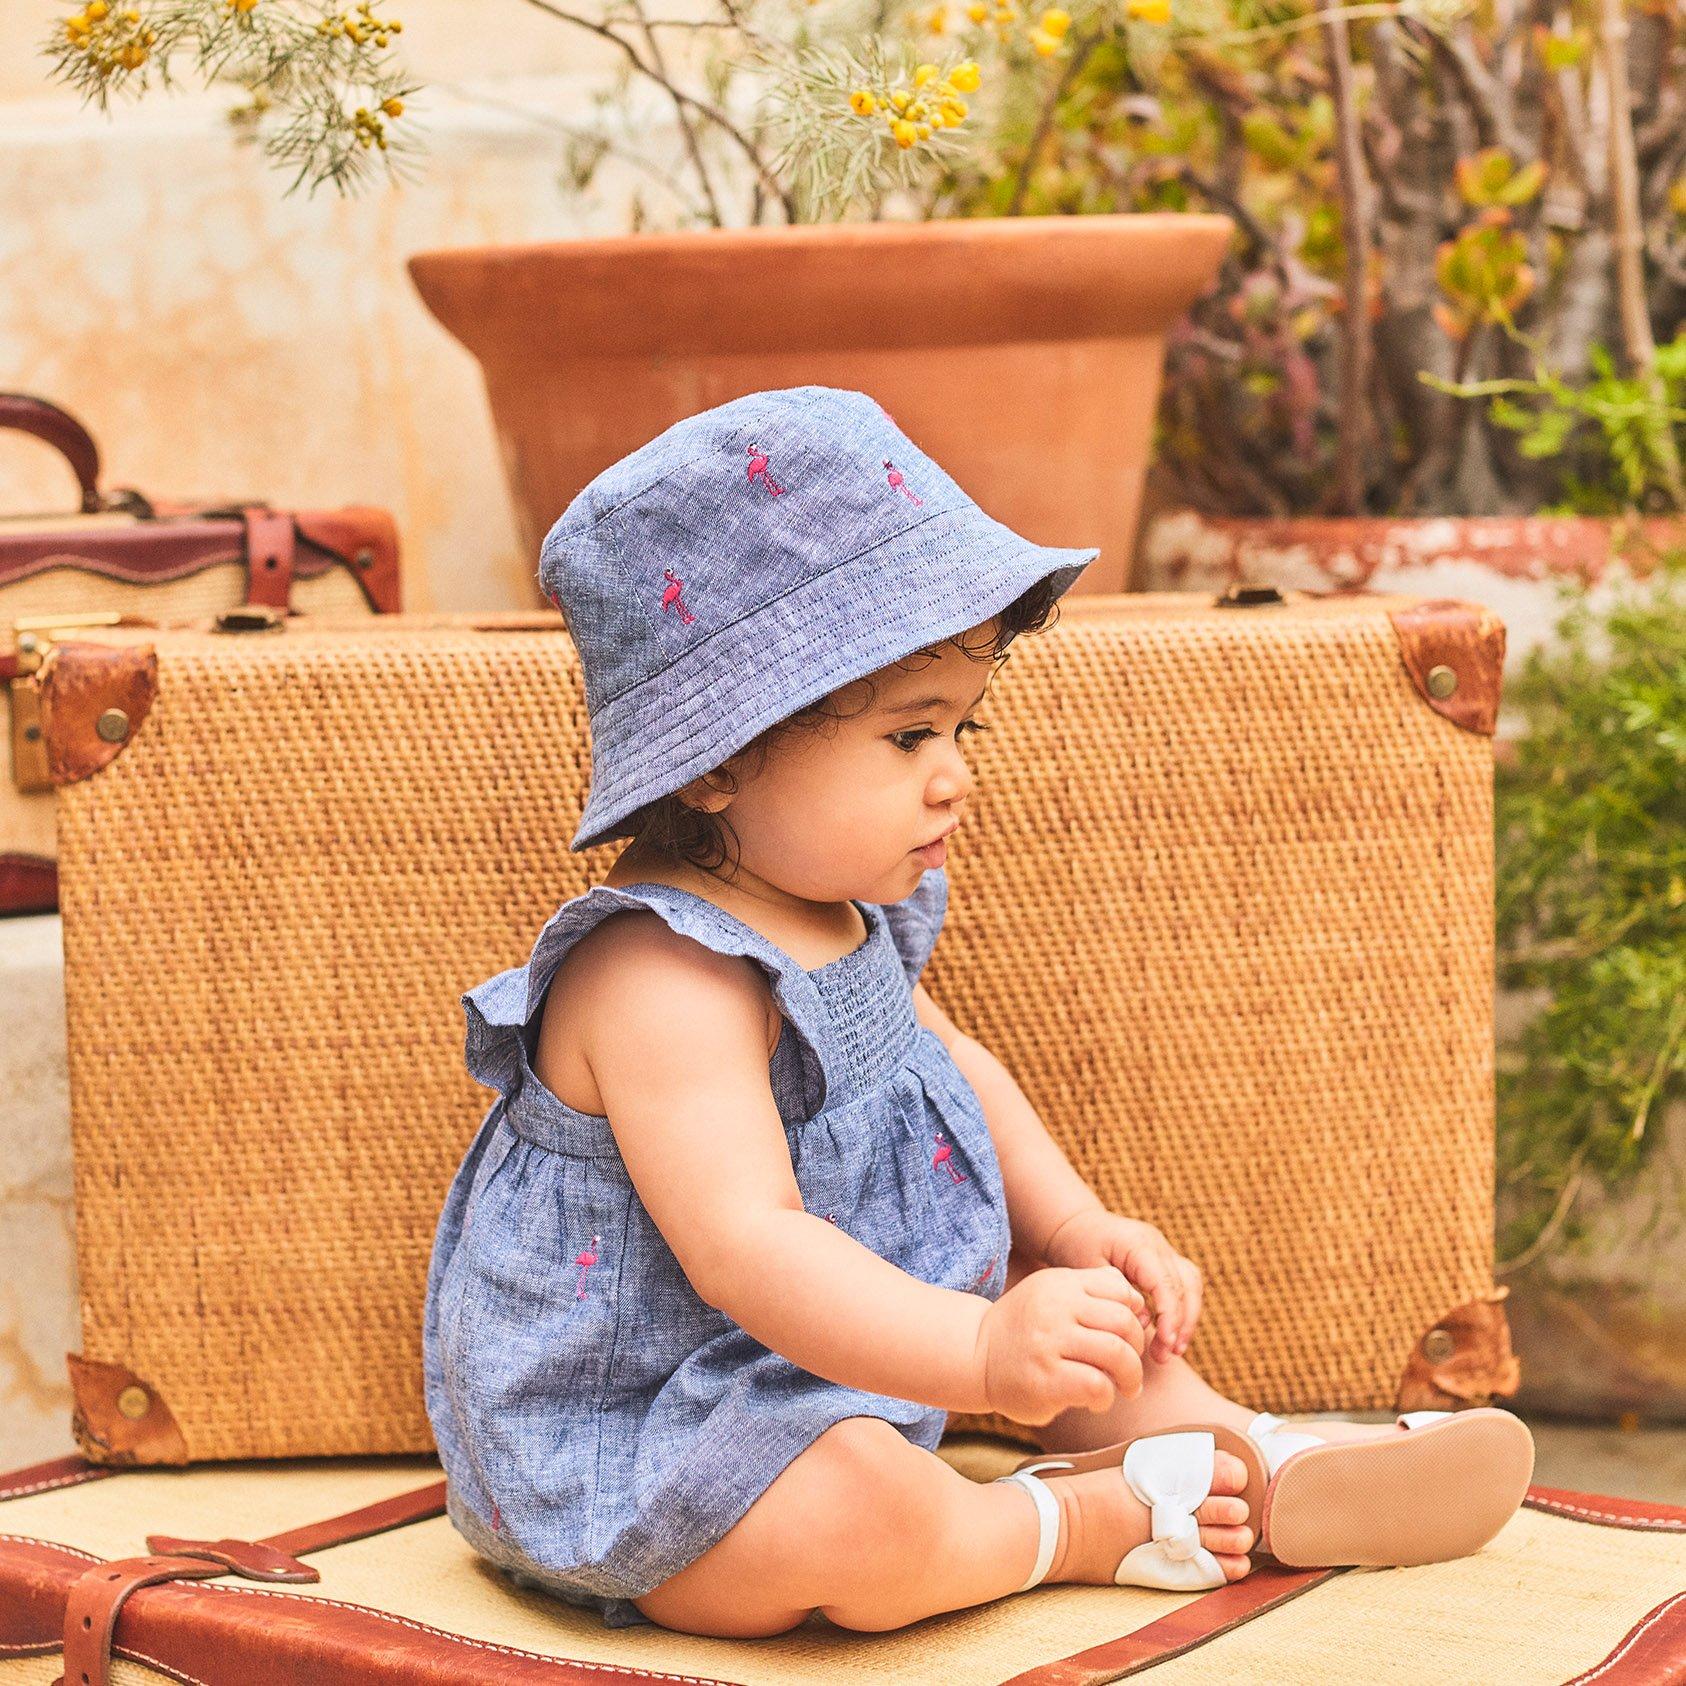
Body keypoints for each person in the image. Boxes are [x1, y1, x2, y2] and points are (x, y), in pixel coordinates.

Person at [421, 387, 1534, 1638]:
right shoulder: (657, 975)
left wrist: (1071, 1228)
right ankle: (1061, 1527)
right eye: (908, 736)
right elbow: (750, 1251)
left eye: (962, 722)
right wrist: (985, 1357)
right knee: (856, 1507)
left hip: (851, 1348)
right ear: (718, 762)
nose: (956, 772)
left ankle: (1245, 1456)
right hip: (639, 1445)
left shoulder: (842, 907)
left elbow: (954, 1063)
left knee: (1088, 1331)